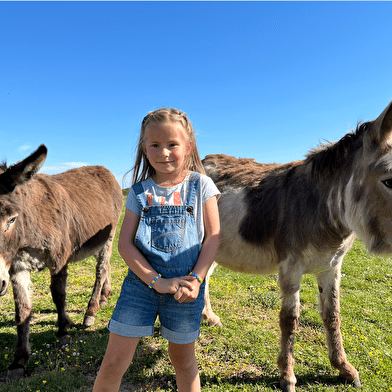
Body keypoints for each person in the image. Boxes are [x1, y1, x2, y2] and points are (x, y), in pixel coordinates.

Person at [93, 108, 220, 392]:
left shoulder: (202, 186)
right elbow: (125, 244)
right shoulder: (138, 193)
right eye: (155, 145)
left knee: (184, 362)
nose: (164, 152)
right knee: (113, 362)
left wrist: (197, 279)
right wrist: (156, 281)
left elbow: (213, 237)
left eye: (172, 144)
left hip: (185, 291)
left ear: (188, 146)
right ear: (145, 149)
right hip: (140, 289)